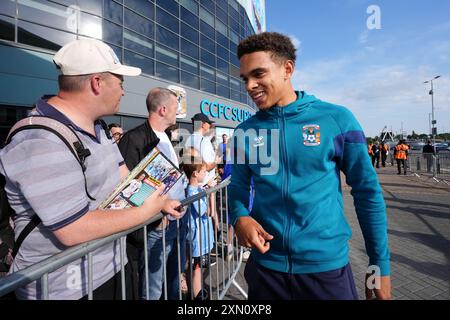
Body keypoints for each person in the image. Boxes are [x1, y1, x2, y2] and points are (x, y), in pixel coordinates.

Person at [0, 39, 181, 300]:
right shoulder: (40, 139)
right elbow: (73, 229)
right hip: (65, 289)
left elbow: (124, 181)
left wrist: (160, 202)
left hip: (111, 269)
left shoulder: (99, 129)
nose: (123, 92)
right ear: (97, 83)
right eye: (120, 83)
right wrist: (146, 211)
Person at [229, 32, 390, 300]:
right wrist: (239, 217)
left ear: (287, 69)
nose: (249, 85)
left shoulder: (336, 119)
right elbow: (238, 187)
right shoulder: (245, 131)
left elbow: (367, 193)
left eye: (258, 74)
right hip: (265, 272)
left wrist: (378, 267)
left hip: (326, 273)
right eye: (245, 78)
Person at [118, 87, 187, 300]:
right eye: (176, 108)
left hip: (176, 221)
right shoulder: (134, 139)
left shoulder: (165, 137)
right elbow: (127, 189)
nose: (179, 112)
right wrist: (156, 212)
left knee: (174, 281)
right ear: (163, 110)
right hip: (156, 226)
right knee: (153, 288)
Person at [181, 157, 215, 299]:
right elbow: (206, 211)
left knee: (197, 268)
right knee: (197, 270)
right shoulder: (192, 192)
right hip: (199, 240)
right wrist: (211, 192)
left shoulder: (195, 189)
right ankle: (197, 297)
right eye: (203, 172)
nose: (205, 174)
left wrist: (206, 189)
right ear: (195, 173)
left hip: (200, 239)